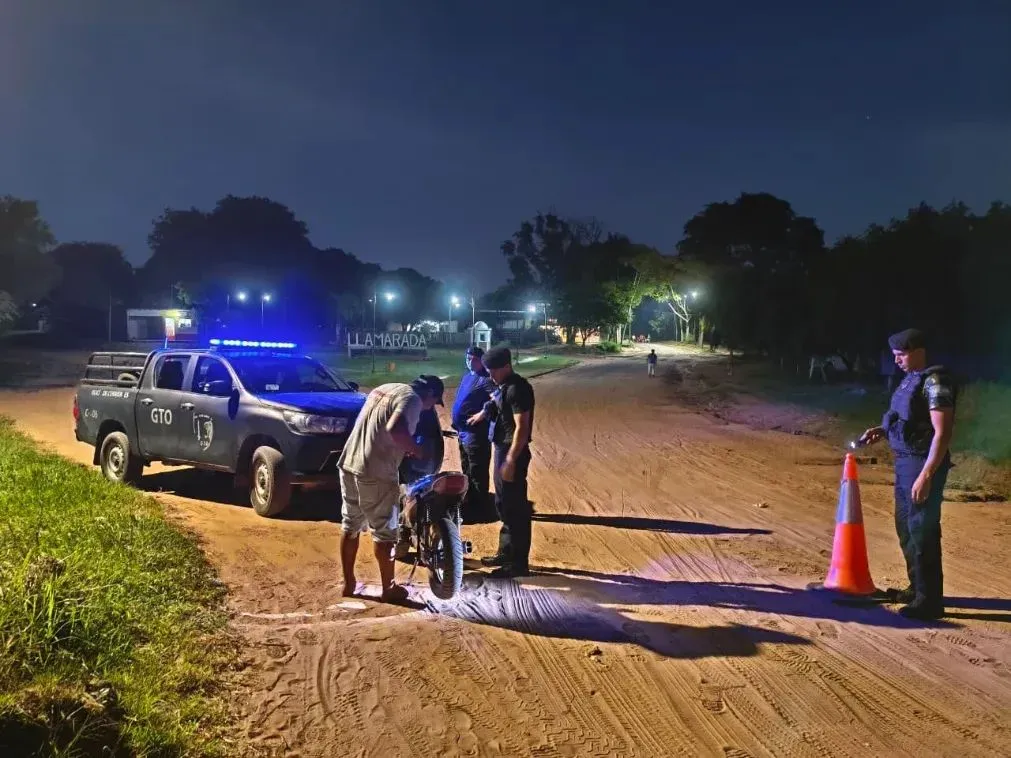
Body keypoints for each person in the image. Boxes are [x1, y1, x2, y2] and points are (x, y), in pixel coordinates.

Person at [858, 328, 956, 620]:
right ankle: (916, 589)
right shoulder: (910, 379)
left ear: (916, 350)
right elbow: (906, 418)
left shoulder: (936, 381)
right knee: (906, 528)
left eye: (900, 355)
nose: (897, 360)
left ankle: (929, 601)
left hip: (922, 463)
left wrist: (926, 474)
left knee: (922, 529)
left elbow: (943, 431)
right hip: (904, 462)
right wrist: (881, 430)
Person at [337, 374, 445, 602]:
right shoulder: (413, 400)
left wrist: (401, 445)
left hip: (349, 463)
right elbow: (395, 428)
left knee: (350, 526)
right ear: (429, 395)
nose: (429, 409)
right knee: (386, 533)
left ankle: (349, 583)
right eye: (433, 403)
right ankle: (389, 588)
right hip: (376, 471)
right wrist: (415, 449)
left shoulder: (385, 388)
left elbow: (379, 428)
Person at [467, 346, 535, 577]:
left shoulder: (518, 389)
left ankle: (517, 563)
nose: (491, 376)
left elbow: (522, 428)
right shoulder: (503, 386)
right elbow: (495, 403)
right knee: (503, 504)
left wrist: (511, 460)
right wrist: (482, 414)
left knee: (515, 507)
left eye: (493, 371)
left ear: (507, 366)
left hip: (511, 451)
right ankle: (506, 552)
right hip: (501, 449)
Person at [451, 346, 496, 522]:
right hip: (462, 432)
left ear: (481, 360)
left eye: (473, 359)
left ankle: (481, 507)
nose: (469, 361)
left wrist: (483, 413)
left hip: (476, 434)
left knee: (477, 469)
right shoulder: (468, 376)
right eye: (467, 358)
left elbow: (497, 398)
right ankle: (470, 501)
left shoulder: (486, 379)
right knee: (466, 467)